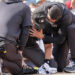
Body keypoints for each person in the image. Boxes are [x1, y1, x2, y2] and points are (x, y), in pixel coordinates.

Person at [30, 1, 75, 73]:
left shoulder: (67, 17)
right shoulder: (40, 10)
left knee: (72, 28)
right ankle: (66, 61)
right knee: (59, 66)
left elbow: (60, 40)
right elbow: (33, 20)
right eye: (49, 19)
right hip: (55, 31)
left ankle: (74, 60)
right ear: (48, 11)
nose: (51, 21)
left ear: (60, 17)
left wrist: (43, 36)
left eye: (53, 21)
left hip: (66, 33)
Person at [0, 0, 32, 75]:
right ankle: (1, 62)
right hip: (6, 43)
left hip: (4, 44)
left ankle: (3, 64)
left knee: (7, 59)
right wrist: (21, 49)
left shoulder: (0, 4)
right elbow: (26, 32)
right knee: (18, 68)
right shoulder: (25, 7)